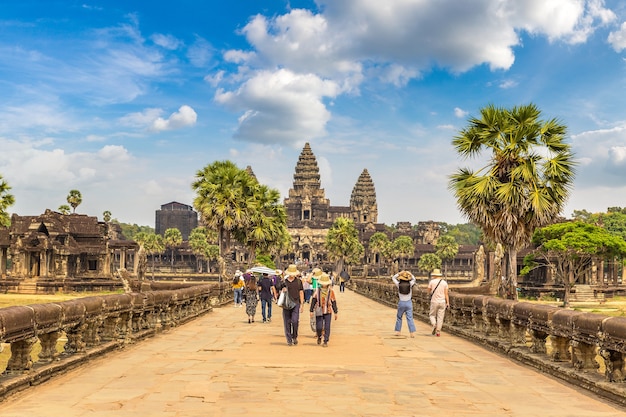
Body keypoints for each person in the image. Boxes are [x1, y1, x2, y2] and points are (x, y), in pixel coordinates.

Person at [277, 264, 304, 346]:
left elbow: (301, 292)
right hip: (286, 304)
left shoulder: (299, 281)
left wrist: (302, 304)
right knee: (287, 322)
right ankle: (289, 339)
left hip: (296, 303)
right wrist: (282, 290)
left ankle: (294, 336)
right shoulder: (284, 282)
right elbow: (279, 291)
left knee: (295, 321)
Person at [310, 272, 338, 347]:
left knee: (327, 326)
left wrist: (336, 312)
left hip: (328, 310)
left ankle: (325, 340)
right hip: (319, 310)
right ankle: (319, 336)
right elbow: (313, 301)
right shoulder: (317, 291)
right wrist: (311, 310)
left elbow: (333, 301)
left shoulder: (331, 291)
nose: (324, 284)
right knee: (319, 326)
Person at [392, 270, 417, 338]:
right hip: (409, 302)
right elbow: (414, 279)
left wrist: (399, 273)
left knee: (399, 317)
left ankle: (398, 331)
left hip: (401, 302)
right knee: (410, 318)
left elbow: (393, 278)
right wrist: (410, 273)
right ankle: (412, 333)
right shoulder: (410, 284)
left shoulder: (398, 285)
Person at [428, 268, 449, 337]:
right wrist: (447, 302)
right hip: (442, 301)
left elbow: (429, 291)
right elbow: (446, 294)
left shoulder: (432, 282)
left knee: (432, 315)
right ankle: (438, 331)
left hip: (434, 301)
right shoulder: (444, 283)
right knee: (440, 317)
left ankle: (434, 324)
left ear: (434, 275)